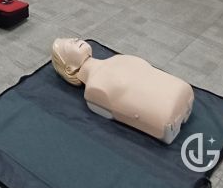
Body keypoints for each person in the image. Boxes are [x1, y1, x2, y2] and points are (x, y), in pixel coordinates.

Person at [51, 38, 194, 144]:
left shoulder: (116, 60)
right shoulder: (94, 89)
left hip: (179, 94)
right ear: (69, 69)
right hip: (167, 115)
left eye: (73, 38)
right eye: (68, 44)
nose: (75, 39)